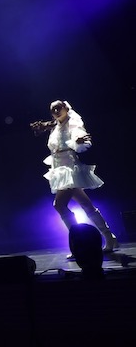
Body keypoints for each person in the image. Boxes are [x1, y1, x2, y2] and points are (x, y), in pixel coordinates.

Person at [30, 100, 118, 256]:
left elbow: (79, 135)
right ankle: (108, 237)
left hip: (69, 168)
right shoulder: (56, 126)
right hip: (59, 168)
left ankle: (79, 242)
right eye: (53, 110)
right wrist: (43, 126)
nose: (56, 111)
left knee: (59, 205)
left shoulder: (73, 122)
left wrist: (78, 141)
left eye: (58, 108)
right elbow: (50, 130)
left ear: (65, 108)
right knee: (86, 205)